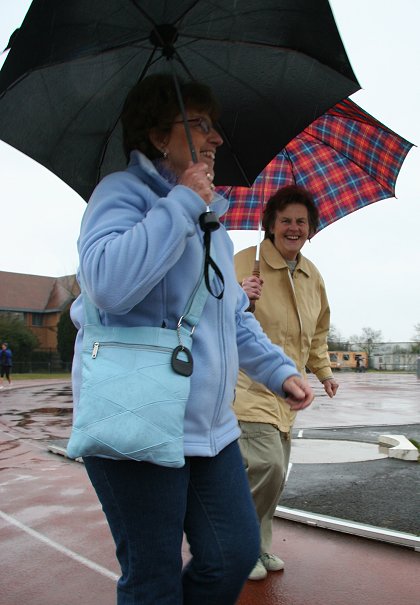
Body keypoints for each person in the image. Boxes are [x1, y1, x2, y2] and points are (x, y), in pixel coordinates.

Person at [69, 74, 314, 605]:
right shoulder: (120, 194)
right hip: (138, 420)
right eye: (199, 123)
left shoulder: (213, 224)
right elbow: (108, 283)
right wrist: (179, 203)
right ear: (159, 136)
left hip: (210, 427)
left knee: (231, 555)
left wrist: (278, 370)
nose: (215, 137)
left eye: (213, 124)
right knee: (153, 578)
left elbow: (230, 316)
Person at [234, 185, 339, 581]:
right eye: (285, 221)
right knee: (268, 466)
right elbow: (209, 311)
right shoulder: (246, 262)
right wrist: (240, 298)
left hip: (289, 393)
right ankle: (236, 545)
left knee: (275, 478)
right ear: (270, 225)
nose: (293, 228)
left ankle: (257, 547)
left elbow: (317, 333)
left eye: (301, 221)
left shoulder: (313, 276)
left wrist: (324, 373)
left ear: (311, 228)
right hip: (248, 388)